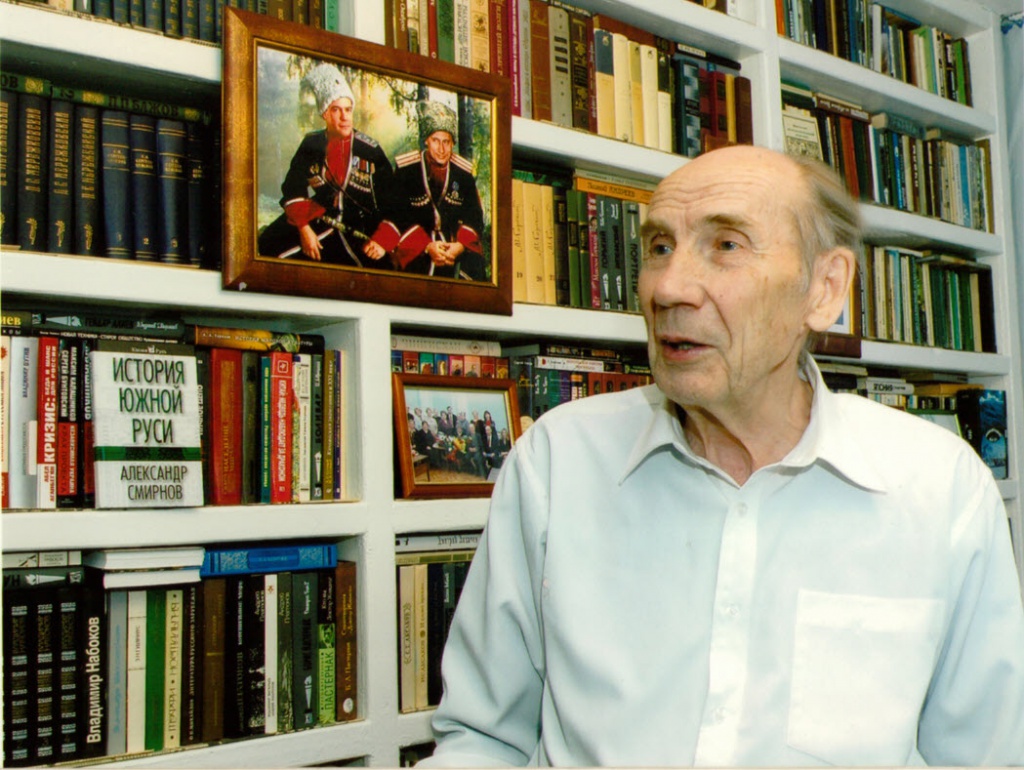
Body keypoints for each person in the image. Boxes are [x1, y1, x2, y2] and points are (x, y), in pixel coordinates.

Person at [420, 145, 1024, 767]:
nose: (668, 288)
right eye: (659, 247)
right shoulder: (556, 462)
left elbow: (982, 758)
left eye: (727, 245)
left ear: (824, 288)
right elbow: (483, 740)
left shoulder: (941, 490)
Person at [257, 63, 399, 268]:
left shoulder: (370, 150)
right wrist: (304, 229)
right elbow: (292, 187)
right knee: (267, 245)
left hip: (360, 231)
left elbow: (394, 202)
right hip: (320, 219)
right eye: (336, 110)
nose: (344, 117)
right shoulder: (311, 144)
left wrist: (382, 241)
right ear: (324, 114)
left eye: (348, 110)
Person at [389, 100, 487, 280]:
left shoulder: (463, 174)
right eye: (436, 141)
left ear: (452, 144)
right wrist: (427, 246)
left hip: (453, 249)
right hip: (418, 247)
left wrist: (460, 246)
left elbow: (474, 217)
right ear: (427, 140)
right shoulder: (407, 170)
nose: (442, 149)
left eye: (446, 142)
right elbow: (396, 215)